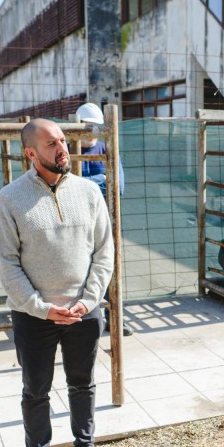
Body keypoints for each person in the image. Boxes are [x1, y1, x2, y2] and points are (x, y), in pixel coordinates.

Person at [0, 118, 115, 447]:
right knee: (36, 390)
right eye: (51, 143)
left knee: (83, 384)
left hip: (83, 310)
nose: (62, 148)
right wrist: (40, 307)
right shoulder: (10, 199)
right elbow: (7, 263)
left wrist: (88, 300)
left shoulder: (89, 192)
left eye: (62, 140)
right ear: (31, 153)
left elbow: (104, 251)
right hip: (34, 316)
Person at [75, 102, 131, 336]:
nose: (91, 131)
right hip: (75, 225)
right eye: (86, 126)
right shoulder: (66, 149)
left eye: (95, 126)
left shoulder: (109, 148)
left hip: (103, 222)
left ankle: (114, 318)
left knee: (107, 268)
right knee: (78, 272)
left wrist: (81, 185)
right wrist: (101, 181)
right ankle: (80, 321)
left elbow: (118, 184)